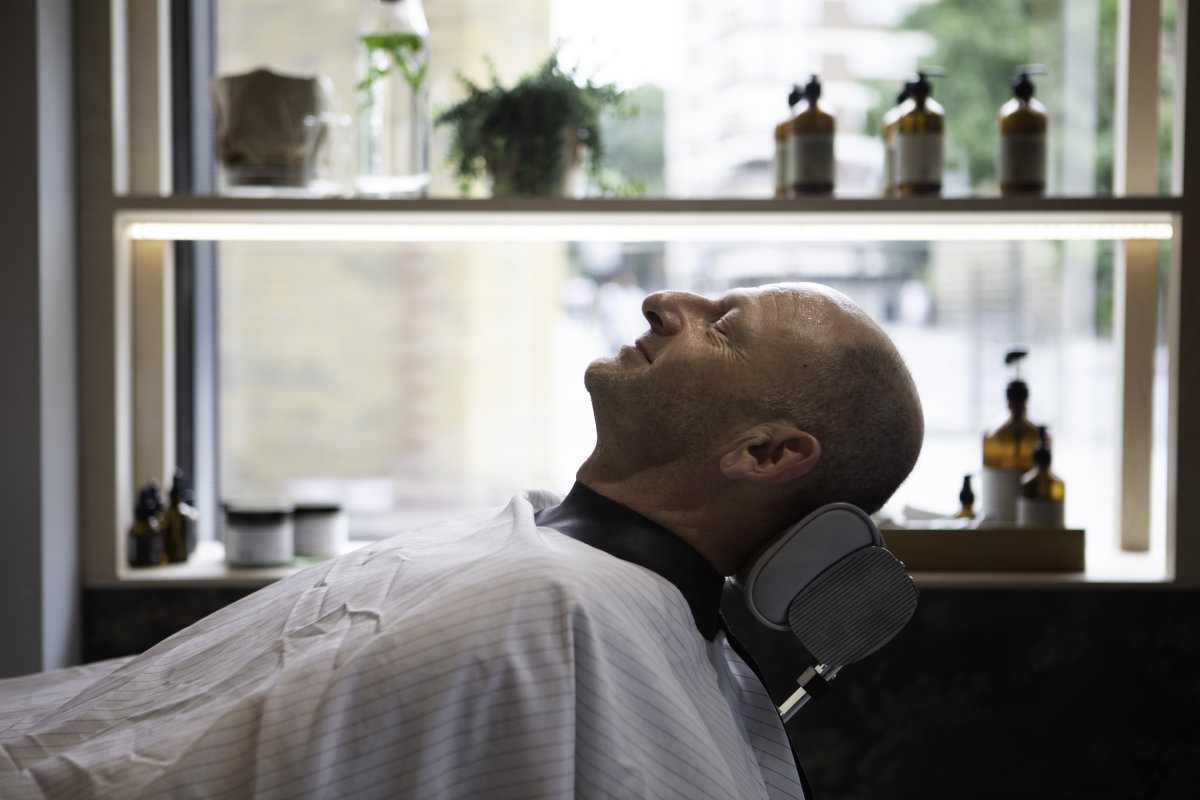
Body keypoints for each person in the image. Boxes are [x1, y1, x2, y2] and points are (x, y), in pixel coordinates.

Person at [0, 283, 922, 800]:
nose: (660, 301)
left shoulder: (557, 615)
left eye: (721, 328)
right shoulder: (546, 562)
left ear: (763, 452)